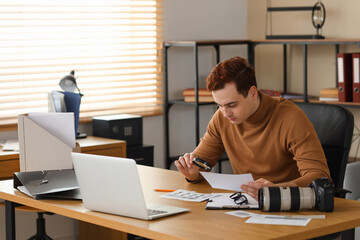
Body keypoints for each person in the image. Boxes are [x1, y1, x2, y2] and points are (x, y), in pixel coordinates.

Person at [174, 56, 331, 200]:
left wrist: (278, 190)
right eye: (220, 105)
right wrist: (193, 174)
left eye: (232, 105)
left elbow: (319, 177)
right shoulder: (221, 118)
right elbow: (202, 162)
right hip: (247, 205)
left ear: (253, 93)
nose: (225, 113)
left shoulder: (290, 117)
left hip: (290, 205)